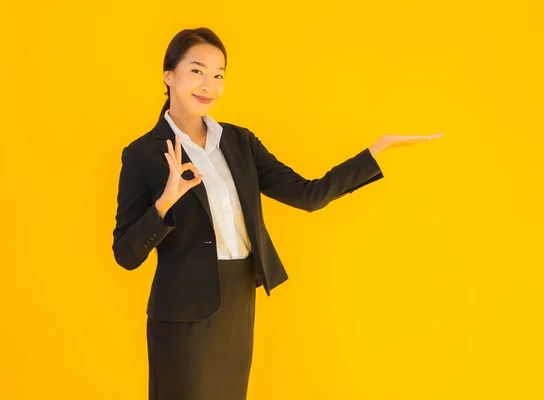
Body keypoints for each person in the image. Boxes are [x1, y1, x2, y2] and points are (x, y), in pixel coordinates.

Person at [112, 27, 443, 400]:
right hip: (182, 316)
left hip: (237, 303)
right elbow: (125, 254)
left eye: (219, 74)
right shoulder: (142, 154)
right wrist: (165, 203)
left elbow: (308, 194)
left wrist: (375, 151)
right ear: (168, 75)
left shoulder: (239, 142)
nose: (209, 84)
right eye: (197, 70)